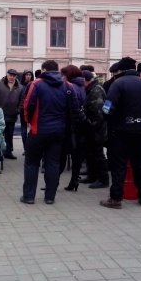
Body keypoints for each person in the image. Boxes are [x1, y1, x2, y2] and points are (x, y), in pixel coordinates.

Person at [100, 56, 141, 209]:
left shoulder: (118, 84)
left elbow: (108, 107)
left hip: (120, 132)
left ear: (121, 70)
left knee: (118, 165)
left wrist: (104, 114)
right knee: (140, 164)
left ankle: (116, 198)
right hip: (140, 131)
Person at [21, 60, 82, 205]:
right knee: (53, 163)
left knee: (32, 163)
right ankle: (50, 197)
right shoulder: (68, 86)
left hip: (37, 130)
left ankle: (29, 197)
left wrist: (29, 122)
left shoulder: (36, 84)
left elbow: (28, 105)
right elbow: (75, 108)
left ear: (43, 70)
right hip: (58, 131)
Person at [66, 69, 109, 191]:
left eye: (81, 81)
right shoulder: (92, 88)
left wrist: (89, 123)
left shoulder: (96, 91)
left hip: (97, 129)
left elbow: (99, 112)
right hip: (92, 128)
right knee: (91, 153)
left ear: (86, 80)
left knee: (98, 154)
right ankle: (92, 176)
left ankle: (103, 179)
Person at [59, 64, 86, 175]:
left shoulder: (70, 87)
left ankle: (53, 182)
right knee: (76, 154)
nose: (62, 77)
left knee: (63, 153)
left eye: (63, 74)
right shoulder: (82, 86)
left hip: (70, 124)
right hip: (80, 123)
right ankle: (74, 180)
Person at [0, 69, 22, 159]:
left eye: (14, 76)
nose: (12, 77)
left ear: (16, 77)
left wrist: (18, 110)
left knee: (9, 134)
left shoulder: (20, 87)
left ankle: (8, 152)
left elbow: (22, 100)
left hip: (12, 115)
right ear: (7, 75)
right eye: (10, 75)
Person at [18, 69, 34, 154]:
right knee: (23, 131)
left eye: (30, 75)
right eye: (26, 74)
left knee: (32, 131)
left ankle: (30, 148)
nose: (28, 76)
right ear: (24, 76)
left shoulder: (34, 85)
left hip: (32, 111)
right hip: (22, 111)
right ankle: (26, 148)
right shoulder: (20, 86)